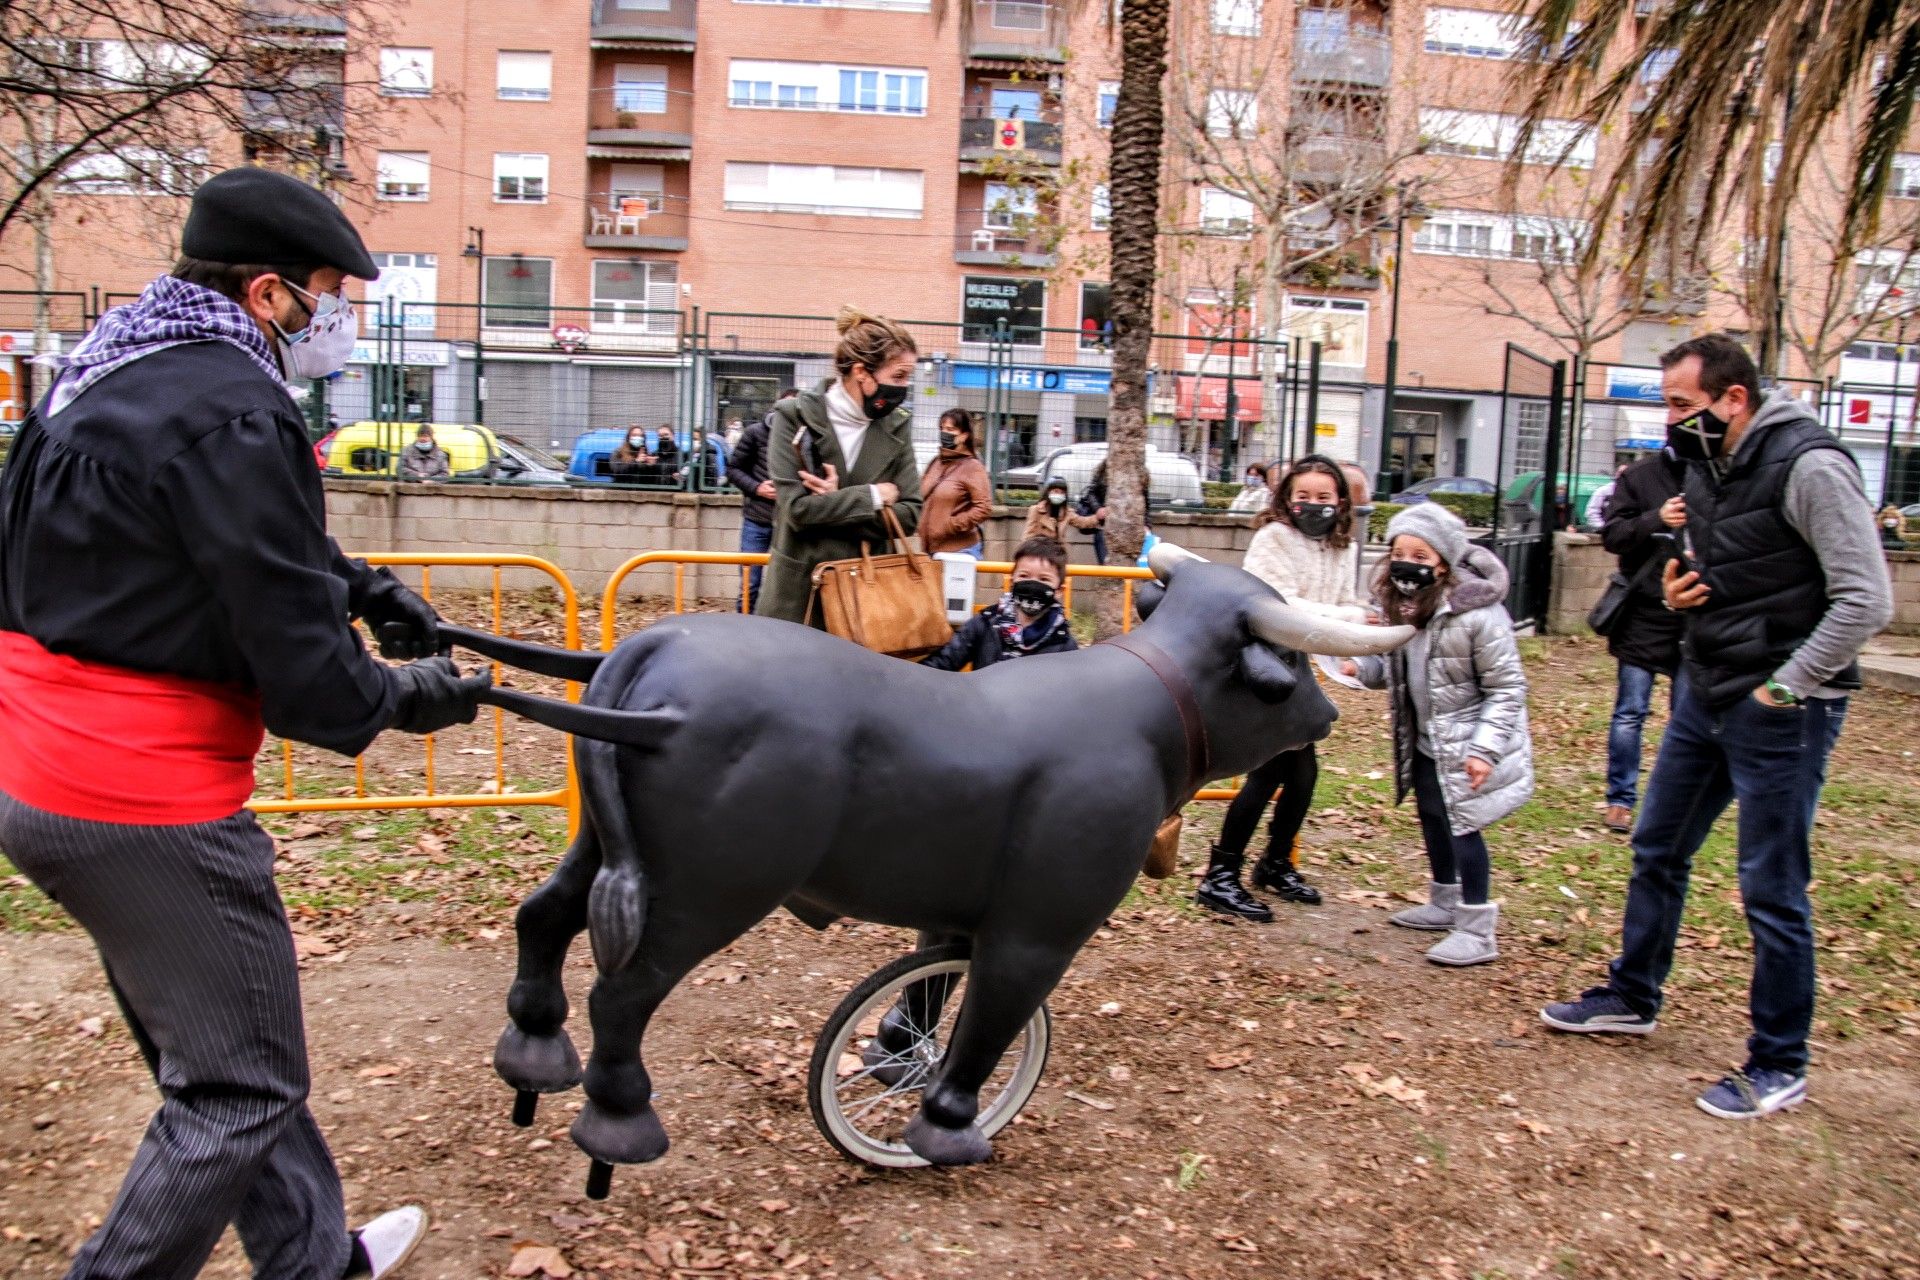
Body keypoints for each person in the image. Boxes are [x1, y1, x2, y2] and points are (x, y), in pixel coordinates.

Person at [0, 167, 486, 1280]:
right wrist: (409, 694)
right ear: (269, 294)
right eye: (329, 291)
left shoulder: (109, 365)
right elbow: (312, 683)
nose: (340, 317)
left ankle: (314, 1257)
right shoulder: (236, 402)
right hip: (142, 798)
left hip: (40, 766)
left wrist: (360, 582)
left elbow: (188, 534)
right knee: (237, 1084)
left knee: (232, 1047)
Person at [1542, 333, 1894, 1119]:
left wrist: (1787, 688)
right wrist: (1674, 597)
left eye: (1681, 405)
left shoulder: (1811, 466)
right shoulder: (1708, 467)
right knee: (1657, 846)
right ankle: (1634, 994)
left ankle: (1780, 1061)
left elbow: (1867, 598)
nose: (1670, 423)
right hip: (1706, 687)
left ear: (1734, 399)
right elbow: (1717, 571)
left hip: (1783, 706)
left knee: (1770, 886)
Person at [1347, 504, 1533, 967]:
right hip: (1429, 740)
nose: (1405, 562)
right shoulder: (1402, 608)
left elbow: (1506, 688)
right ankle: (1444, 899)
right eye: (1398, 552)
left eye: (1419, 553)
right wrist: (1360, 666)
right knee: (1432, 813)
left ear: (1444, 563)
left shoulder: (1477, 616)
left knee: (1464, 827)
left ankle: (1477, 928)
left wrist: (1484, 750)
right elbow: (1396, 669)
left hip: (1469, 743)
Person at [1196, 455, 1366, 920]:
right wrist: (1349, 620)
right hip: (1265, 670)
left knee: (1303, 774)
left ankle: (1272, 863)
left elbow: (1343, 603)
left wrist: (1354, 642)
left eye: (1324, 497)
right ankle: (1221, 875)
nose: (1313, 505)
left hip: (1306, 671)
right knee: (1270, 773)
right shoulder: (1272, 539)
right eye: (1303, 496)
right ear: (1287, 499)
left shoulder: (1343, 548)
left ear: (1340, 502)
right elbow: (1282, 605)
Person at [754, 307, 924, 624]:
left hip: (868, 596)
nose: (904, 387)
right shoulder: (794, 416)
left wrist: (833, 500)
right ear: (861, 372)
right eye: (898, 376)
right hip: (800, 592)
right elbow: (797, 512)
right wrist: (871, 497)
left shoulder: (897, 425)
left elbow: (911, 514)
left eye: (908, 377)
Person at [1596, 449, 1686, 834]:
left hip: (1694, 618)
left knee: (1686, 720)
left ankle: (1673, 805)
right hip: (1643, 612)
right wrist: (1656, 519)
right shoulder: (1639, 475)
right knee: (1630, 711)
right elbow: (1613, 535)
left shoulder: (1722, 474)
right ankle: (1620, 799)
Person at [921, 537, 1077, 670]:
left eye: (1044, 579)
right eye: (1024, 575)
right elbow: (945, 661)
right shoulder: (985, 623)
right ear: (1012, 581)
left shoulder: (1063, 643)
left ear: (1059, 590)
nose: (1032, 584)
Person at [726, 391, 793, 613]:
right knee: (750, 584)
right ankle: (744, 636)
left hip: (789, 523)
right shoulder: (755, 433)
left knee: (784, 588)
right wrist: (757, 488)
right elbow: (734, 470)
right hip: (756, 520)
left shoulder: (805, 437)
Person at [919, 408, 993, 557]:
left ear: (964, 436)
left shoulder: (973, 467)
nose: (944, 433)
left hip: (960, 550)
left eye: (950, 429)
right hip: (930, 550)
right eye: (942, 428)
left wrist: (951, 525)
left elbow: (983, 507)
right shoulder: (936, 463)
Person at [1024, 474, 1100, 544]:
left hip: (1057, 552)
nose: (1058, 494)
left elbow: (1082, 522)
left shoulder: (1066, 512)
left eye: (1062, 492)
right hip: (1039, 550)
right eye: (1055, 491)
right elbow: (1028, 535)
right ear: (1048, 492)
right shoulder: (1036, 510)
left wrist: (1098, 517)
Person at [1077, 459, 1111, 563]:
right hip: (1103, 522)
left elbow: (1144, 501)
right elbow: (1091, 493)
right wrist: (1098, 509)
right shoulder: (1104, 469)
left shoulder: (1136, 471)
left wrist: (1146, 525)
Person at [1584, 464, 1627, 530]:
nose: (1623, 475)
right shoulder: (1603, 491)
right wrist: (1603, 527)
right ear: (1616, 474)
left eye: (1626, 472)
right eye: (1620, 472)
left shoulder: (1634, 493)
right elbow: (1592, 512)